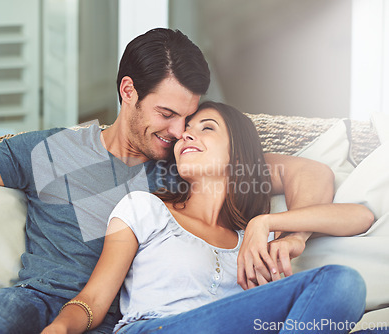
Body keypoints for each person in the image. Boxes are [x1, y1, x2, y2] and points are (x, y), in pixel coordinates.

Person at [0, 29, 334, 333]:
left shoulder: (187, 165)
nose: (180, 131)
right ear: (128, 92)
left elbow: (308, 172)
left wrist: (293, 235)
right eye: (167, 114)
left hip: (128, 320)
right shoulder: (51, 151)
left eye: (189, 117)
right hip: (40, 301)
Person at [43, 101, 373, 334]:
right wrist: (59, 327)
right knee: (340, 282)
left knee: (360, 307)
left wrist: (274, 227)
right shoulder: (144, 208)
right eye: (184, 132)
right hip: (155, 327)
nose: (186, 135)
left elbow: (358, 215)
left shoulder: (254, 239)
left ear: (237, 152)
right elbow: (93, 300)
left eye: (207, 128)